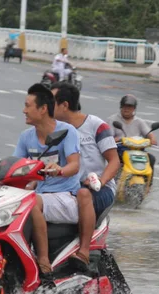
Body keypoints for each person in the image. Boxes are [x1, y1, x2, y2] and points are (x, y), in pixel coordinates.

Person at [13, 83, 81, 274]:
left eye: (28, 106)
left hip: (66, 196)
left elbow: (74, 165)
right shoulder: (26, 137)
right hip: (41, 195)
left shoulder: (67, 131)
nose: (23, 110)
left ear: (43, 109)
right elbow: (16, 165)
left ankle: (43, 260)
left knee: (30, 201)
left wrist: (59, 170)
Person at [51, 82, 120, 269]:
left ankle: (83, 252)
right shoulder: (55, 131)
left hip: (99, 190)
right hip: (66, 188)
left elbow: (114, 161)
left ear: (64, 105)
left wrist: (100, 181)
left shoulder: (97, 126)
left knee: (84, 194)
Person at [108, 94, 157, 176]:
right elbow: (108, 138)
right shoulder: (112, 120)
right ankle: (115, 181)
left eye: (129, 107)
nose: (127, 109)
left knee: (151, 159)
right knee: (116, 161)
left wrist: (152, 139)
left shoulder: (139, 121)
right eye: (125, 106)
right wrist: (116, 140)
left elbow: (149, 133)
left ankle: (148, 186)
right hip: (120, 150)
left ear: (134, 108)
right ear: (121, 107)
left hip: (138, 151)